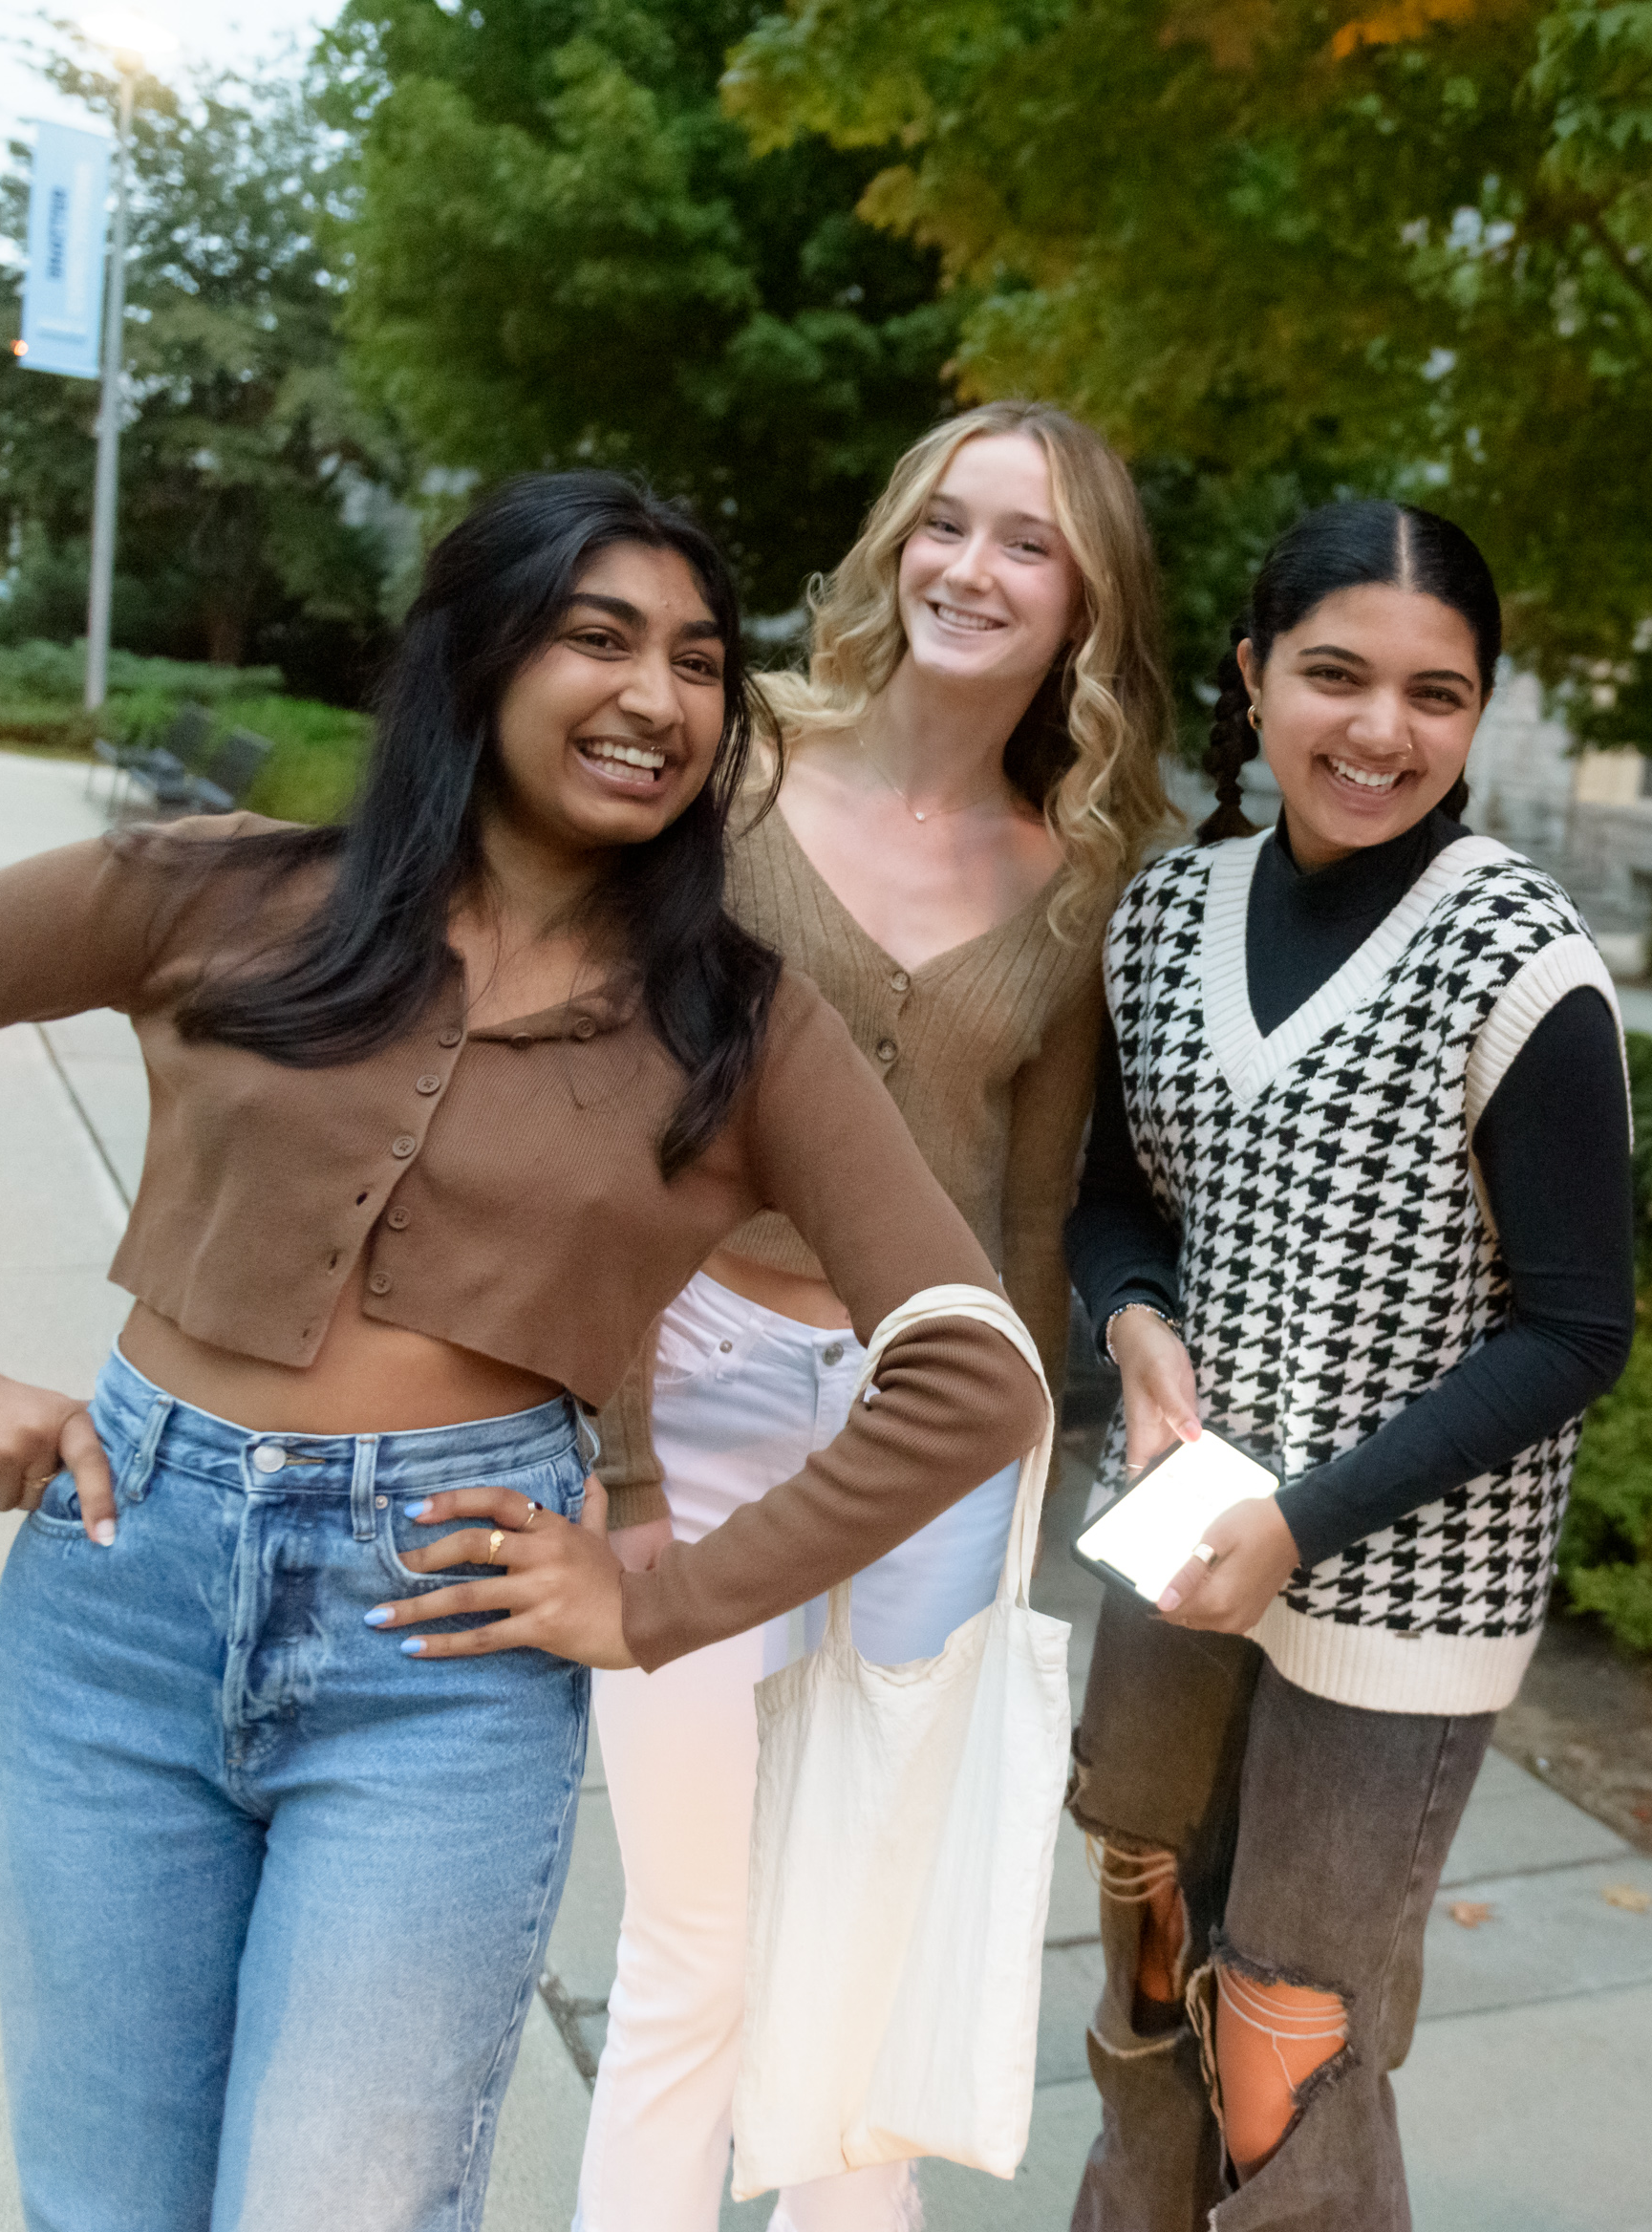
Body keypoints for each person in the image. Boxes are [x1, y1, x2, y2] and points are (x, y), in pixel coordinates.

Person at [0, 471, 1046, 2232]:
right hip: (115, 1610)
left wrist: (660, 1605)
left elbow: (978, 1371)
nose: (659, 695)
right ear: (475, 654)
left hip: (442, 1659)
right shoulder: (215, 893)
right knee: (104, 2206)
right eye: (598, 636)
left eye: (703, 661)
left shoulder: (740, 1021)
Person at [574, 401, 1174, 2232]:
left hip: (935, 1433)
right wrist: (614, 1458)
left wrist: (1020, 1470)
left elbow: (1029, 1200)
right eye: (947, 522)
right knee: (696, 1953)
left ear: (1083, 603)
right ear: (895, 541)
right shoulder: (733, 768)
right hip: (706, 1394)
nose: (971, 570)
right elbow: (589, 1131)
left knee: (871, 1953)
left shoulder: (1081, 871)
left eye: (1028, 543)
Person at [1062, 500, 1634, 2229]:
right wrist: (1137, 1324)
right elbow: (1112, 1207)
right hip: (1172, 1546)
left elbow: (1574, 1331)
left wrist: (1306, 1527)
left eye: (1436, 693)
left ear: (1478, 713)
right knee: (1148, 1983)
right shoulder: (1164, 915)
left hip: (1405, 1597)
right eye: (1334, 675)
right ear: (1252, 677)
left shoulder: (1516, 955)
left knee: (1284, 2047)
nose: (1381, 731)